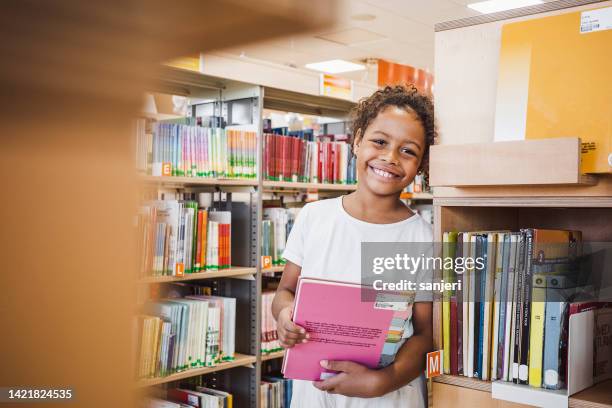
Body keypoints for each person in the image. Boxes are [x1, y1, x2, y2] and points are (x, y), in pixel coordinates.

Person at [271, 84, 436, 408]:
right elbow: (284, 292)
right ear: (357, 140)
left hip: (390, 398)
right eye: (379, 141)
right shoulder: (314, 217)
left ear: (421, 165)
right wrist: (284, 316)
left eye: (408, 150)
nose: (389, 157)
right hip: (315, 394)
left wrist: (381, 382)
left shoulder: (423, 238)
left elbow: (424, 335)